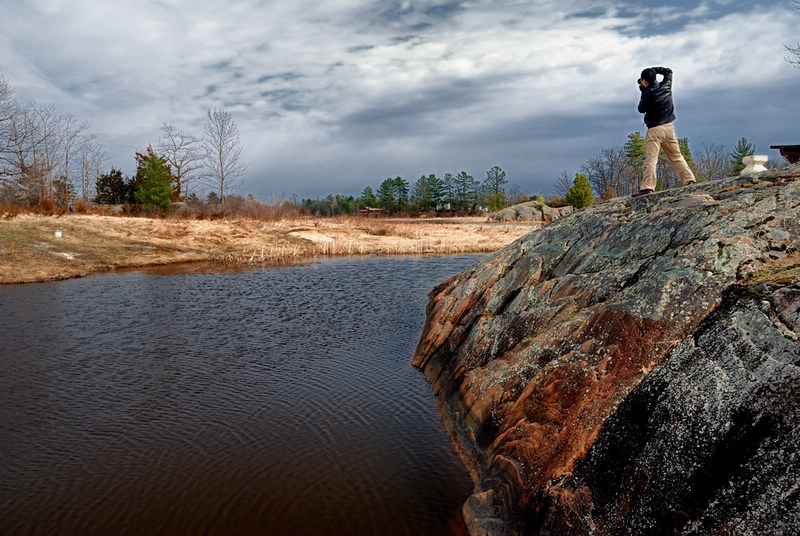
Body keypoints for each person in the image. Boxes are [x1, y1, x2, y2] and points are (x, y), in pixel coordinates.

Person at [634, 66, 695, 197]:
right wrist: (654, 70)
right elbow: (668, 71)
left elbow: (640, 109)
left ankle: (648, 187)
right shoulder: (666, 85)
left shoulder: (647, 94)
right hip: (669, 127)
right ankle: (689, 180)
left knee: (651, 160)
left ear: (644, 81)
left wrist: (642, 91)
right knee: (676, 156)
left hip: (654, 130)